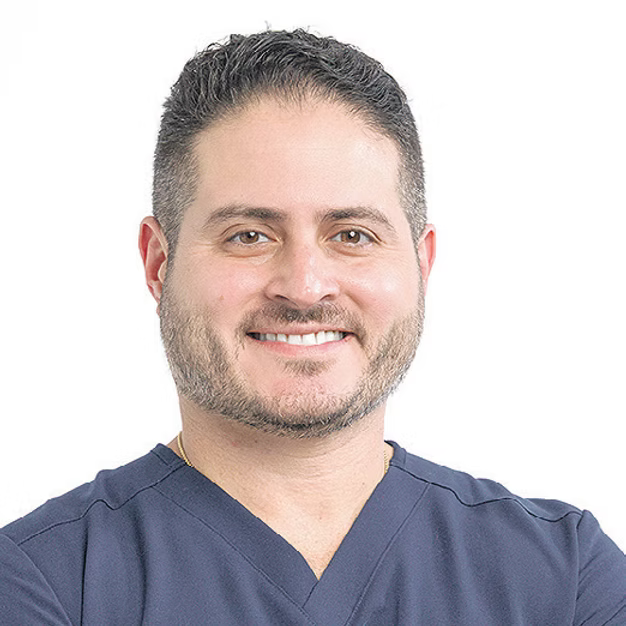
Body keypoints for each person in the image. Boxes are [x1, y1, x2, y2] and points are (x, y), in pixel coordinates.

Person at [1, 29, 624, 625]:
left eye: (352, 235)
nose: (303, 286)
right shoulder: (43, 583)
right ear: (159, 264)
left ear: (422, 264)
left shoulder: (566, 576)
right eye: (249, 236)